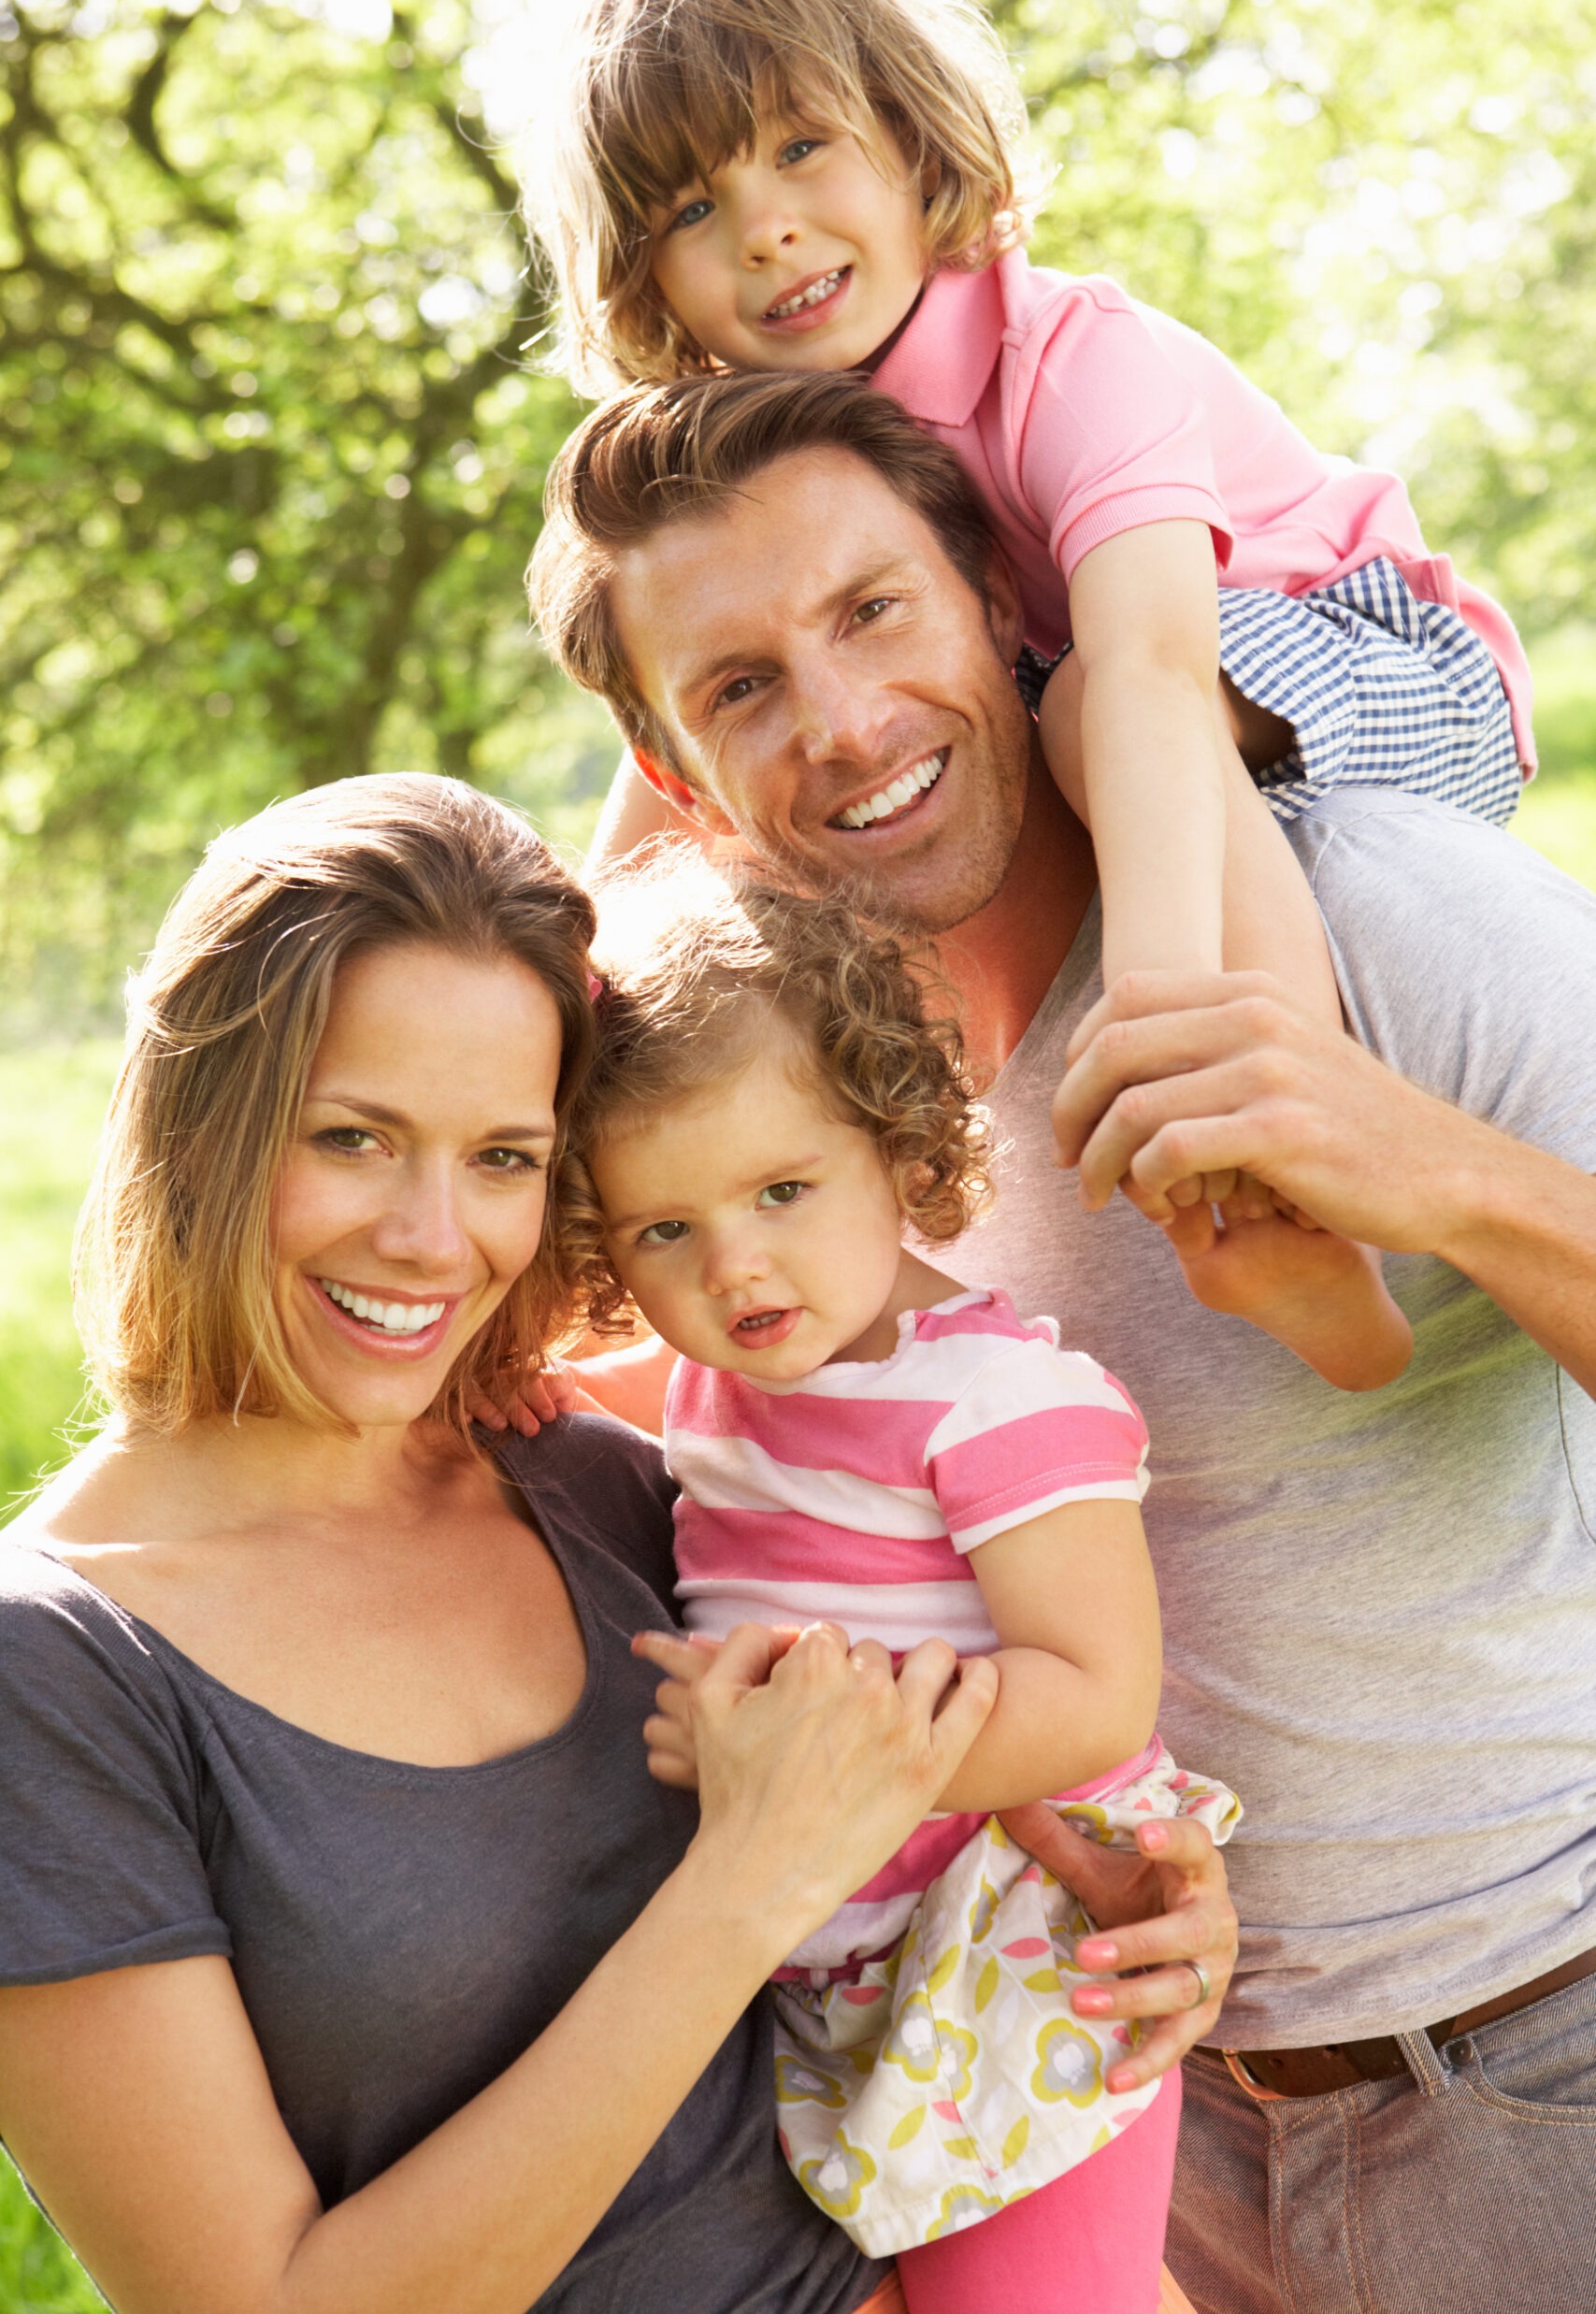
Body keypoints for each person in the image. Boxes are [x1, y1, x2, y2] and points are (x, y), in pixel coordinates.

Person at [527, 367, 1596, 2314]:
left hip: (1540, 2062)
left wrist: (1434, 1174)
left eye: (872, 611)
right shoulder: (782, 1138)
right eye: (740, 685)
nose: (843, 723)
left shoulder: (1369, 916)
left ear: (1000, 607)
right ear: (674, 776)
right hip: (1126, 2110)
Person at [0, 770, 1234, 2314]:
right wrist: (750, 1879)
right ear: (205, 1124)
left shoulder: (581, 1477)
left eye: (504, 1157)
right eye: (355, 1136)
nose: (435, 1240)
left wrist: (1131, 1898)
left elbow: (943, 1690)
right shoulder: (56, 1669)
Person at [522, 0, 1540, 1390]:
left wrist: (1163, 1003)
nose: (767, 230)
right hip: (1134, 690)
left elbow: (1147, 671)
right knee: (786, 804)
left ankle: (1262, 1153)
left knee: (1068, 719)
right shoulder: (800, 469)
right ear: (649, 280)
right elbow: (676, 801)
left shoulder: (1070, 353)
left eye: (804, 146)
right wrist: (555, 1001)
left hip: (1388, 666)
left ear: (914, 139)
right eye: (694, 205)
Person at [559, 855, 1239, 2308]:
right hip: (842, 1974)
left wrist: (799, 1765)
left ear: (898, 1147)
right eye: (663, 1230)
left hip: (1017, 1959)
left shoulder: (997, 1400)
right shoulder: (728, 1372)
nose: (737, 1265)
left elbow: (1095, 1694)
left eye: (784, 1189)